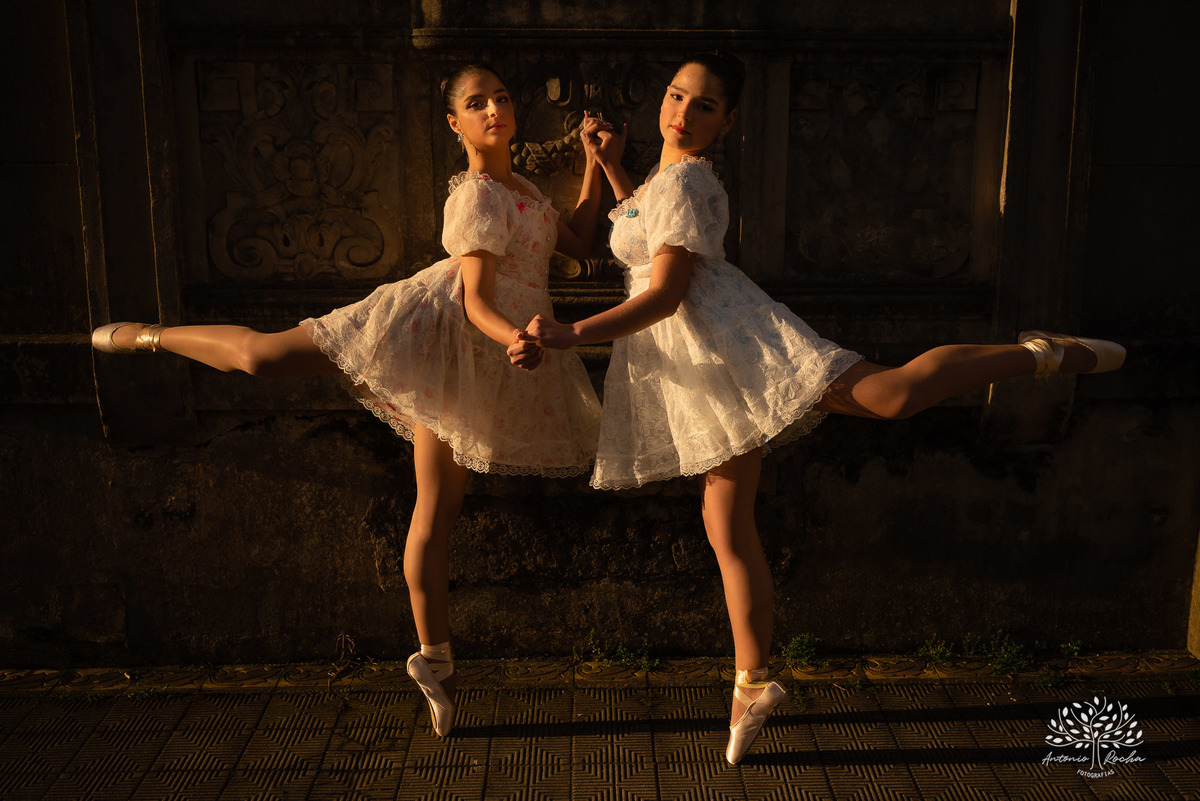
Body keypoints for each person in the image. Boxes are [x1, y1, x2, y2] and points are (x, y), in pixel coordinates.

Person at [531, 52, 1124, 765]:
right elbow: (641, 226)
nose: (683, 113)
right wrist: (609, 166)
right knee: (725, 524)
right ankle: (752, 682)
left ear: (729, 121)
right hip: (703, 359)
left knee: (893, 395)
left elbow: (663, 294)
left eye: (705, 106)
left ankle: (1038, 354)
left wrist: (571, 333)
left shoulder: (686, 179)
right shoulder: (665, 179)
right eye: (677, 96)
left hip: (732, 341)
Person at [91, 64, 612, 738]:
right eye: (477, 103)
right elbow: (476, 301)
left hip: (476, 361)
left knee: (438, 508)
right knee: (263, 356)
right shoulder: (478, 196)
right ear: (454, 124)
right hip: (435, 330)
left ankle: (434, 658)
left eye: (502, 98)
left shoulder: (527, 190)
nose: (494, 110)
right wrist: (515, 336)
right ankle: (151, 335)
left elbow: (578, 242)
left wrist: (595, 164)